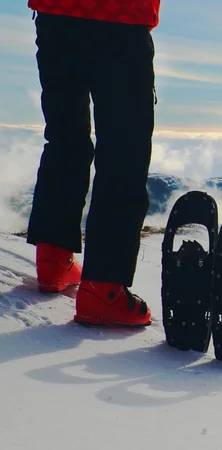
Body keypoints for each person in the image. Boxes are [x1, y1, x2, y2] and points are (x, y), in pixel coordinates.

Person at [26, 0, 161, 327]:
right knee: (123, 147)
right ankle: (104, 288)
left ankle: (54, 257)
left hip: (55, 12)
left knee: (65, 135)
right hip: (121, 14)